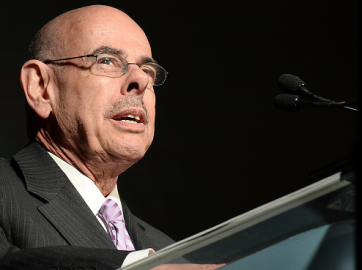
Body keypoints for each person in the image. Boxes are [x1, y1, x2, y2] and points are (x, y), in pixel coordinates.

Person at [0, 5, 222, 270]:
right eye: (107, 60)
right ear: (41, 87)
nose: (140, 79)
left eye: (148, 71)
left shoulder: (166, 251)